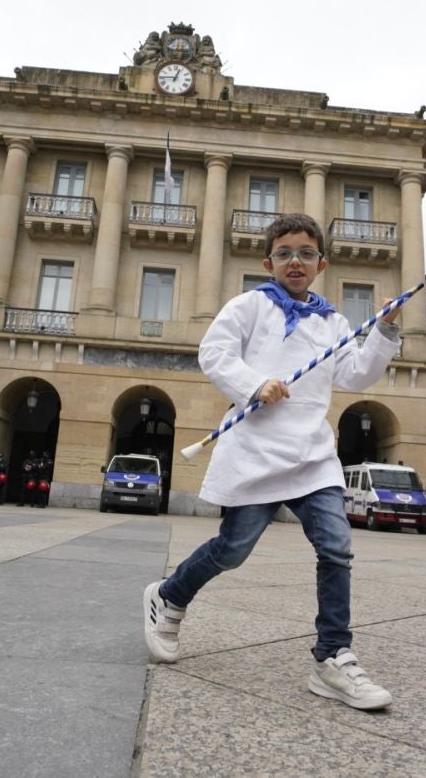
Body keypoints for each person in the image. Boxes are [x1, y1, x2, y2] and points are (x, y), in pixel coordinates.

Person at [142, 213, 401, 710]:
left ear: (321, 263)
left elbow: (354, 375)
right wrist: (254, 384)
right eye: (285, 253)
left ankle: (333, 657)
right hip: (256, 452)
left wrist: (384, 331)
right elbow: (214, 353)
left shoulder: (336, 321)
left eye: (306, 253)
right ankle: (169, 595)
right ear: (269, 262)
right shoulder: (248, 305)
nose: (295, 261)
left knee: (337, 548)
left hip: (312, 455)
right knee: (232, 549)